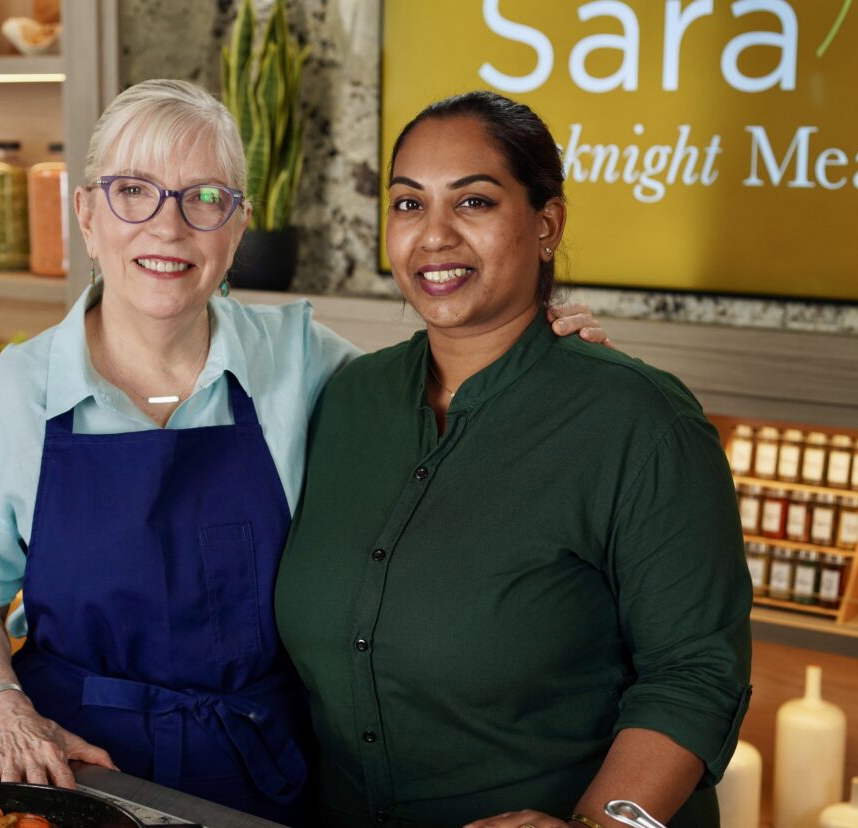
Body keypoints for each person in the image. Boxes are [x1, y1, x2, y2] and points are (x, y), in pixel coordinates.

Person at [0, 80, 606, 822]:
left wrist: (535, 345)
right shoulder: (4, 402)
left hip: (268, 770)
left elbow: (453, 384)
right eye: (133, 191)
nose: (169, 228)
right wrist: (4, 708)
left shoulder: (306, 362)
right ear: (86, 213)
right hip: (77, 771)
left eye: (205, 198)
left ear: (238, 224)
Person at [275, 90, 753, 828]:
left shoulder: (641, 422)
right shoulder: (347, 399)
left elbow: (696, 674)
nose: (433, 236)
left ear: (546, 224)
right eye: (408, 205)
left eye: (473, 203)